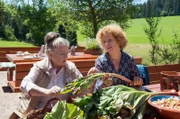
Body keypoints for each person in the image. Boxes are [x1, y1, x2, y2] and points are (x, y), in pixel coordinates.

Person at [13, 32, 83, 117]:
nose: (66, 57)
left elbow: (82, 86)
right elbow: (24, 84)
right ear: (50, 54)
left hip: (61, 114)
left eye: (67, 53)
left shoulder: (70, 68)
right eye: (62, 54)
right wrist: (47, 92)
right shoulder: (40, 67)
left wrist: (90, 83)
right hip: (36, 113)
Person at [88, 24, 143, 89]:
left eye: (110, 40)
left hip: (127, 96)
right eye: (104, 41)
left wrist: (137, 80)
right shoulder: (100, 61)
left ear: (118, 40)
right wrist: (105, 84)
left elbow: (137, 81)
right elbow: (98, 88)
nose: (106, 44)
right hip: (108, 97)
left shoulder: (129, 59)